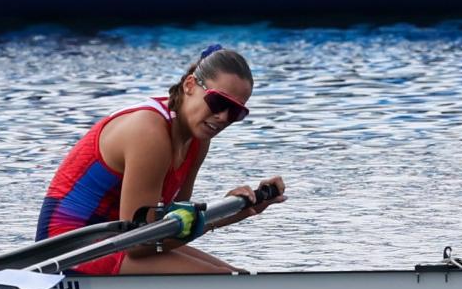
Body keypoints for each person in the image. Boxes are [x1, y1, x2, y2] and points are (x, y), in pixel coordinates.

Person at [35, 44, 284, 275]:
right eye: (218, 102)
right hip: (67, 250)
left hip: (115, 240)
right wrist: (218, 216)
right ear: (189, 85)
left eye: (236, 112)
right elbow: (139, 242)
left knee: (236, 277)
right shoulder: (149, 132)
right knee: (223, 281)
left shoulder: (197, 140)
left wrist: (238, 210)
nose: (222, 117)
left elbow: (172, 223)